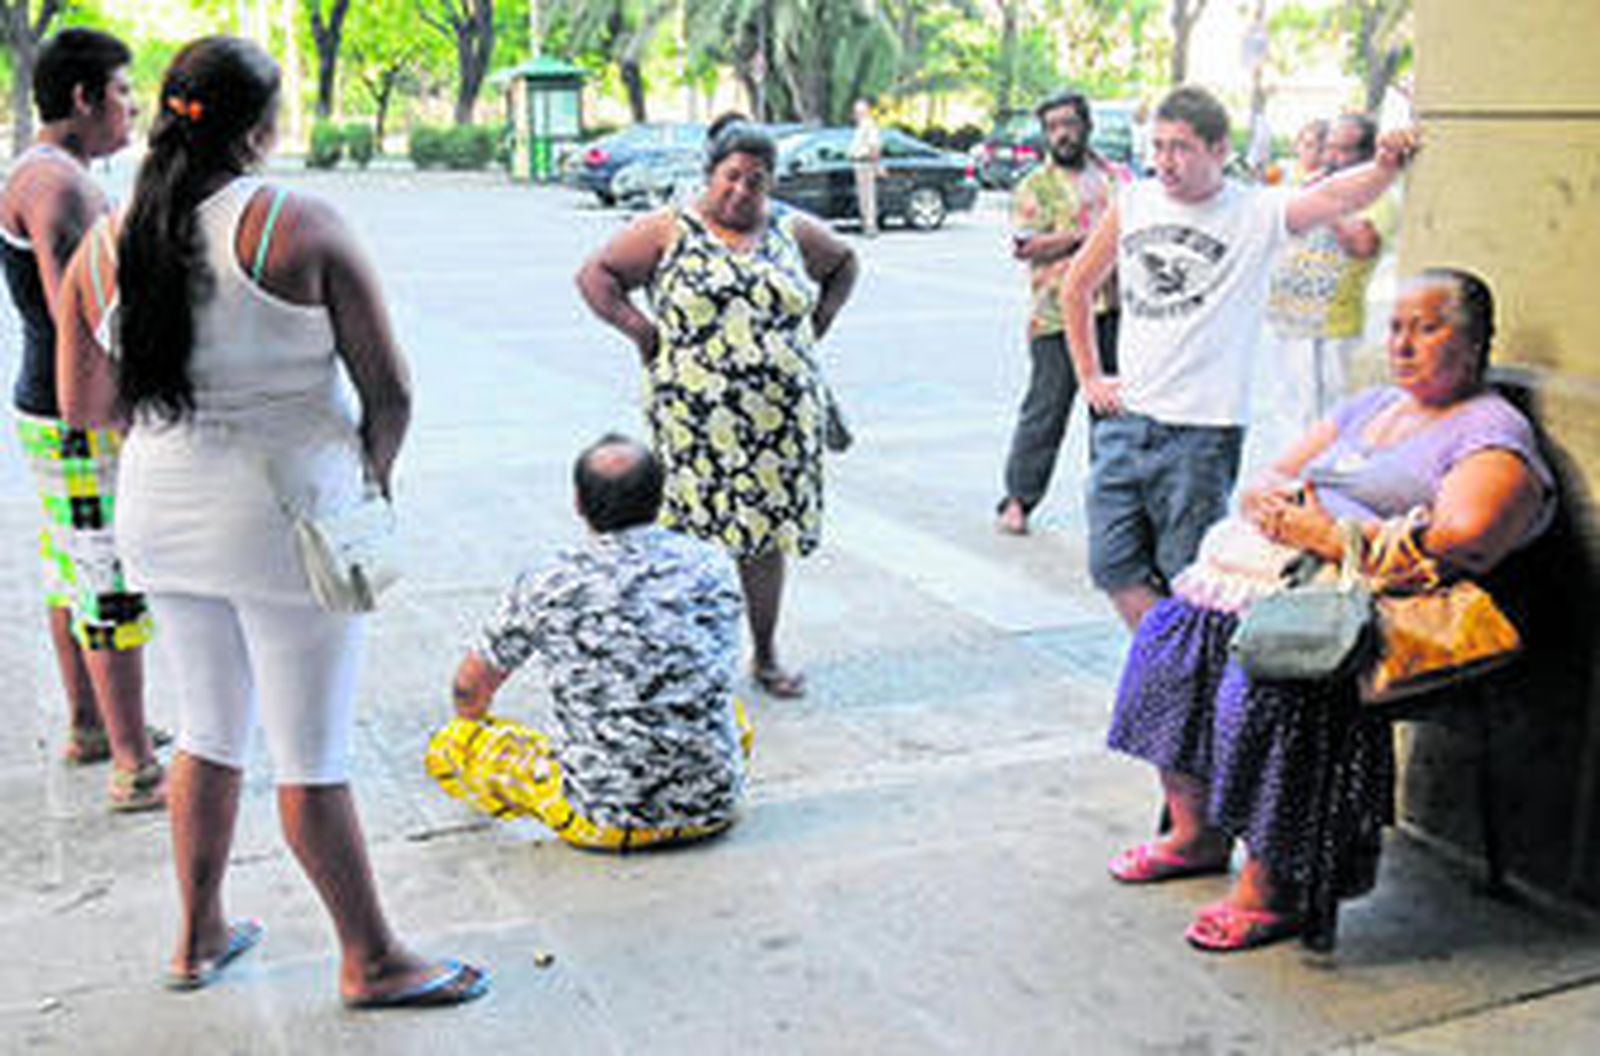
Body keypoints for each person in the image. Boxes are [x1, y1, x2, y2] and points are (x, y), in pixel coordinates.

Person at [55, 36, 486, 1006]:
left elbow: (85, 405)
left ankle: (197, 935)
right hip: (291, 523)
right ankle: (371, 958)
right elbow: (391, 392)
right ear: (261, 127)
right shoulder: (299, 225)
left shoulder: (106, 240)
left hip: (160, 518)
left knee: (209, 730)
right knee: (311, 752)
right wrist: (368, 484)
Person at [1104, 268, 1554, 952]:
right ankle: (1197, 834)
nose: (1403, 344)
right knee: (1172, 643)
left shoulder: (1490, 429)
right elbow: (1278, 472)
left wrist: (1326, 536)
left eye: (1427, 328)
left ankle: (1276, 883)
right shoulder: (1374, 404)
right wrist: (1267, 502)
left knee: (1274, 684)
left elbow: (1467, 538)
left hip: (1374, 604)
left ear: (1475, 343)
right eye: (1396, 327)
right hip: (1288, 578)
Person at [1061, 85, 1420, 632]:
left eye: (1181, 147)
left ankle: (1177, 672)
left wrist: (1386, 166)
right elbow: (1077, 286)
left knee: (1187, 576)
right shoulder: (1134, 201)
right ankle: (1166, 663)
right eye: (1158, 146)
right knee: (1112, 565)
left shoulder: (1255, 211)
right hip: (1127, 422)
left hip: (1201, 433)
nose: (1165, 161)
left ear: (1218, 149)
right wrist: (1089, 375)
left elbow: (1334, 197)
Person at [576, 122, 858, 699]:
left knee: (763, 541)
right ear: (711, 173)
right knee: (686, 541)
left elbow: (844, 263)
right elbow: (595, 277)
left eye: (756, 181)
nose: (741, 190)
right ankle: (683, 658)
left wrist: (816, 325)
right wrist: (641, 332)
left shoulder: (788, 228)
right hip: (694, 423)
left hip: (778, 426)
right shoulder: (668, 227)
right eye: (732, 176)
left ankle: (765, 655)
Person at [429, 434, 752, 850]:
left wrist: (474, 725)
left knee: (451, 745)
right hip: (714, 806)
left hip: (598, 818)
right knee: (730, 712)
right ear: (661, 498)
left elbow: (469, 687)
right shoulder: (712, 562)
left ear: (578, 503)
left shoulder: (548, 580)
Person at [0, 28, 165, 809]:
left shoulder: (47, 172)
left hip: (59, 406)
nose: (132, 107)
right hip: (78, 412)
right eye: (123, 92)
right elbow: (84, 319)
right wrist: (123, 416)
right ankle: (134, 767)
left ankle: (92, 725)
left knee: (74, 567)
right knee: (107, 575)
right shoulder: (56, 186)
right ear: (83, 98)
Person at [996, 90, 1130, 536]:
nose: (1062, 134)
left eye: (1069, 124)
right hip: (1055, 316)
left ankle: (1110, 509)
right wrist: (1086, 240)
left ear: (1086, 126)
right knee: (1045, 410)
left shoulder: (1116, 177)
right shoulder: (1035, 184)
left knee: (1111, 413)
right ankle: (1018, 500)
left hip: (1112, 311)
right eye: (1053, 127)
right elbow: (1025, 245)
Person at [1262, 114, 1397, 442]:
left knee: (1330, 422)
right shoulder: (1312, 186)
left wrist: (1328, 206)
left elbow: (1362, 245)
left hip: (1331, 328)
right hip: (1288, 322)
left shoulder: (1380, 199)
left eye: (1343, 149)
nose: (1331, 157)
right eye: (1328, 147)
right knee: (1292, 420)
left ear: (1367, 155)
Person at [848, 99, 882, 238]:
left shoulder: (869, 125)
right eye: (856, 111)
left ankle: (870, 225)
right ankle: (865, 223)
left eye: (860, 111)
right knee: (862, 196)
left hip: (866, 163)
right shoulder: (860, 126)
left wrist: (876, 164)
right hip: (859, 163)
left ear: (867, 111)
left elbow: (874, 146)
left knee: (868, 195)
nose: (857, 114)